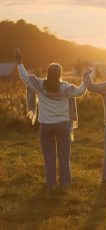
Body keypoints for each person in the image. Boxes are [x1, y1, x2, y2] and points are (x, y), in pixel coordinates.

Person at [14, 48, 87, 189]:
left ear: (48, 73)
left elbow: (24, 78)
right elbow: (80, 91)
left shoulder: (40, 85)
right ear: (60, 74)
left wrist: (19, 62)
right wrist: (85, 80)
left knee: (49, 158)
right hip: (63, 125)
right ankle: (65, 185)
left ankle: (51, 185)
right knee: (64, 157)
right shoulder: (66, 87)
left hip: (46, 126)